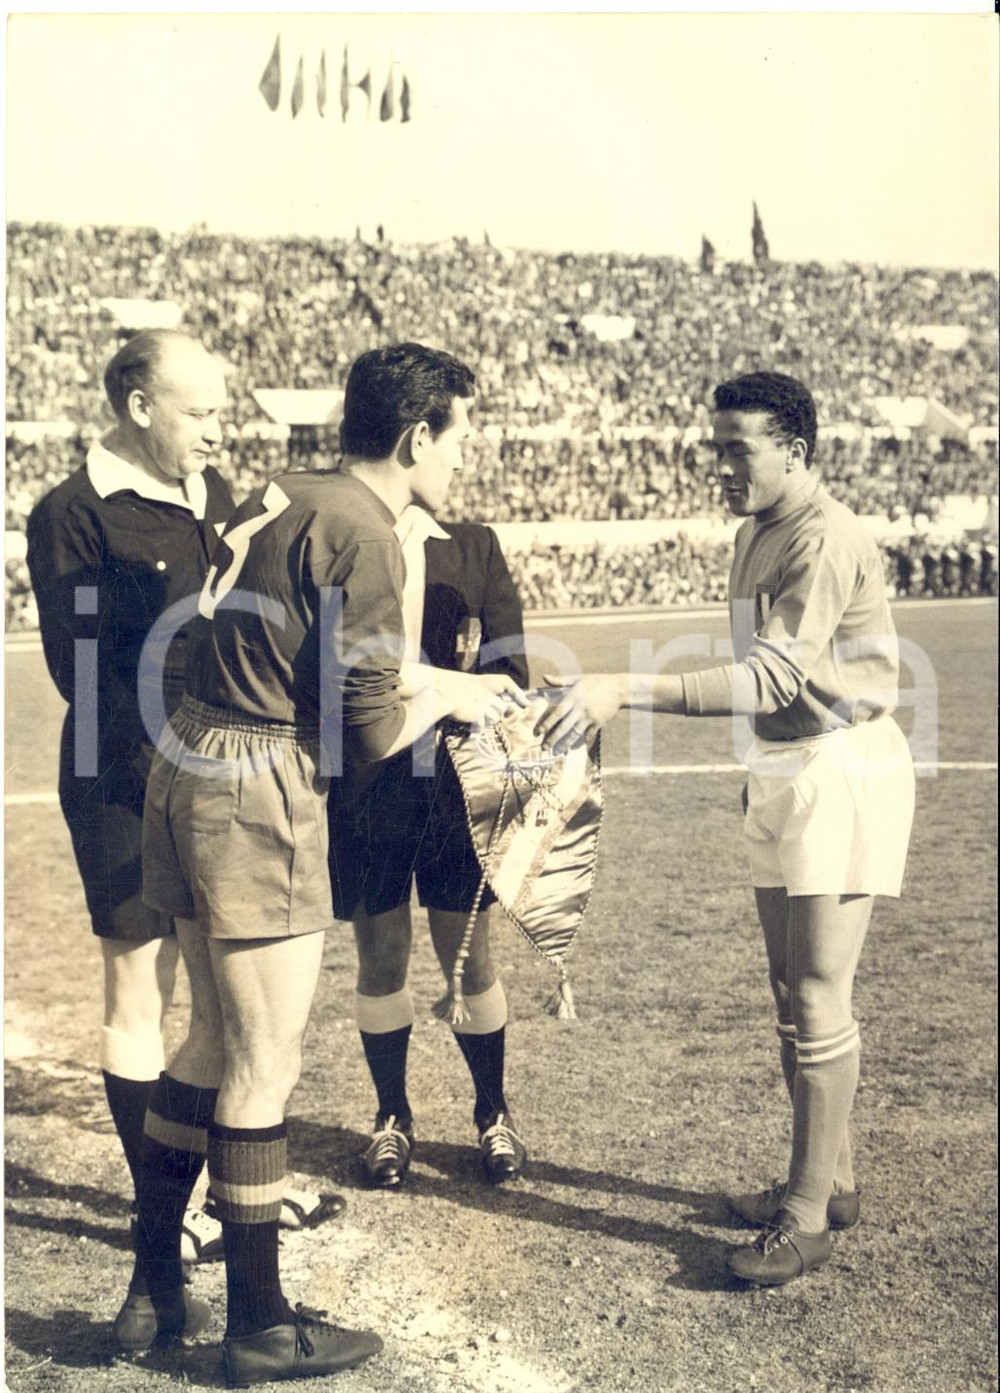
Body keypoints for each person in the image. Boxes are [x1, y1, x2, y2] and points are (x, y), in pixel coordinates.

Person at [123, 343, 526, 1384]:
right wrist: (457, 692)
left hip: (187, 760)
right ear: (413, 436)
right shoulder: (368, 533)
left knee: (209, 1038)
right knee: (263, 1061)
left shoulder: (281, 488)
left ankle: (151, 1288)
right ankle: (256, 1321)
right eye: (456, 438)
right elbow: (371, 734)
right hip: (256, 788)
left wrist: (427, 678)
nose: (459, 460)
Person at [538, 371, 915, 1287]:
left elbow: (773, 681)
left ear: (795, 448)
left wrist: (624, 684)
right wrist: (761, 772)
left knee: (821, 990)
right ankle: (834, 1182)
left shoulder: (823, 539)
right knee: (789, 985)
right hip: (787, 765)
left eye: (736, 448)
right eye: (715, 449)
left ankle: (804, 1216)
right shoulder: (755, 532)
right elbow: (765, 688)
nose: (719, 466)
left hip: (843, 764)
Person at [25, 330, 235, 1261]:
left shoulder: (213, 494)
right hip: (122, 775)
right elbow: (84, 676)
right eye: (202, 413)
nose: (218, 432)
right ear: (141, 406)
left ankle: (227, 1188)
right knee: (138, 989)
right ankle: (165, 1213)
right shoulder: (71, 512)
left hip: (215, 775)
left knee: (219, 987)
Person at [328, 504, 530, 1189]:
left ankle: (493, 1110)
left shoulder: (473, 547)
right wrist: (447, 688)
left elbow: (514, 674)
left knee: (469, 959)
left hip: (453, 790)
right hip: (369, 782)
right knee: (381, 955)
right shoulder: (346, 536)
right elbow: (337, 675)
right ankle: (392, 1116)